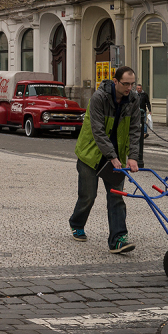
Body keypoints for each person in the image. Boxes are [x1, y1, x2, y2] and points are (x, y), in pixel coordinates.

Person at [69, 66, 143, 253]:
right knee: (88, 196)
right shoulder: (99, 98)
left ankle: (118, 239)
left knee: (117, 197)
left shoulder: (133, 99)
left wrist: (133, 157)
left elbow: (135, 129)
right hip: (91, 154)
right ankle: (76, 222)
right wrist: (111, 156)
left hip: (116, 155)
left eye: (132, 84)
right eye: (126, 84)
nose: (129, 88)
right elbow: (98, 131)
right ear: (115, 81)